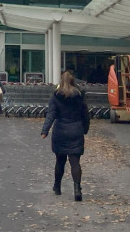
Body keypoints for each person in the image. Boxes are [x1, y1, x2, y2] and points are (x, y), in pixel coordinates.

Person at [41, 70, 91, 201]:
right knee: (75, 162)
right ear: (73, 81)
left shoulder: (55, 96)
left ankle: (57, 187)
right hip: (76, 130)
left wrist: (45, 131)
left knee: (60, 161)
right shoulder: (80, 96)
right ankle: (77, 189)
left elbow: (50, 114)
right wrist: (85, 129)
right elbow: (85, 115)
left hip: (60, 131)